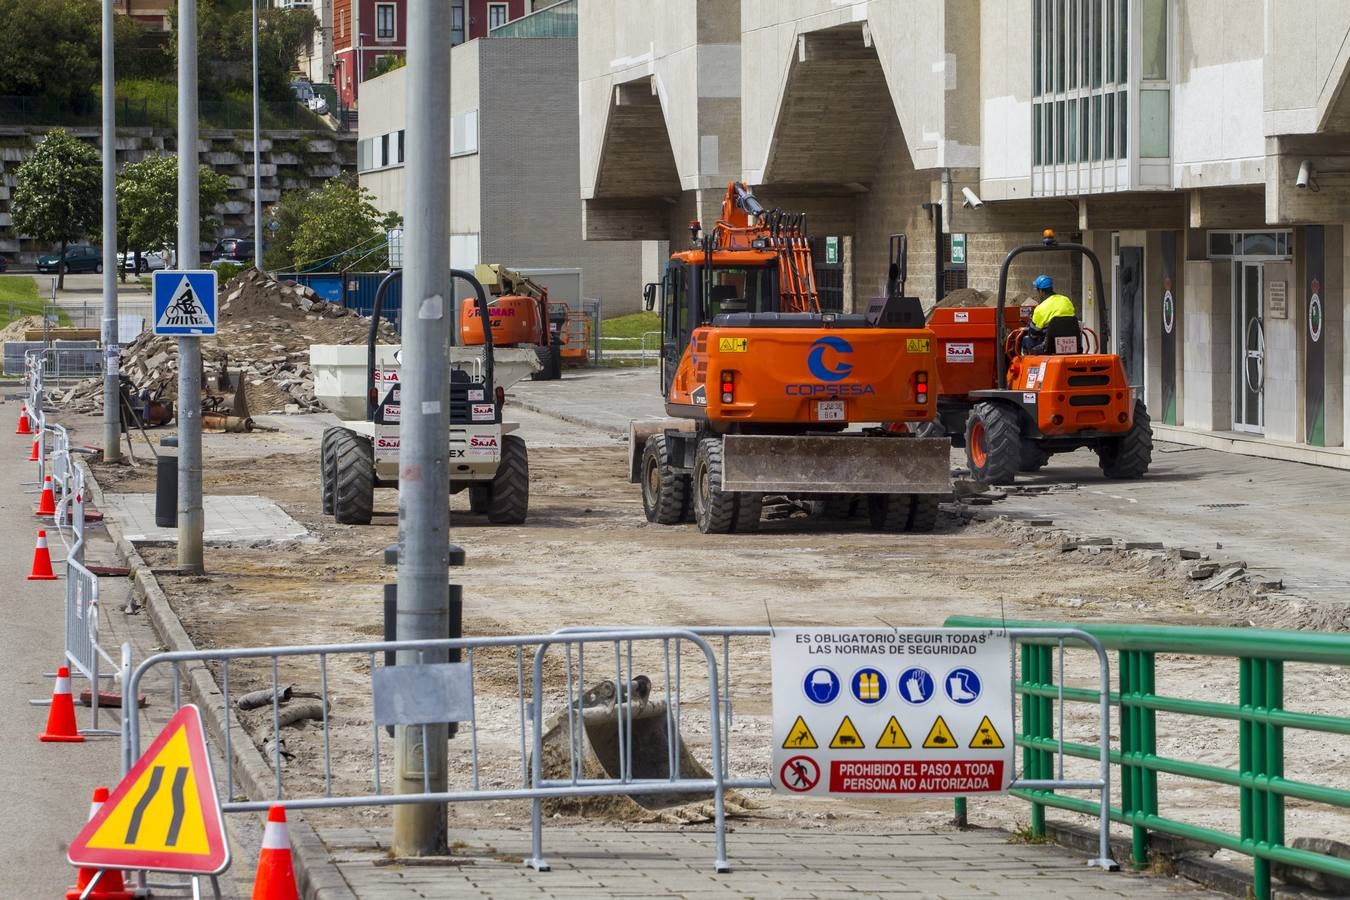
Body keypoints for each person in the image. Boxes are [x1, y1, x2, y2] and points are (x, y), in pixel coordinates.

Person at [1020, 274, 1076, 354]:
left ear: (1041, 291)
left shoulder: (1040, 308)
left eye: (1037, 291)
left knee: (1026, 339)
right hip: (1071, 343)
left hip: (1048, 346)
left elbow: (1033, 334)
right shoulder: (1066, 300)